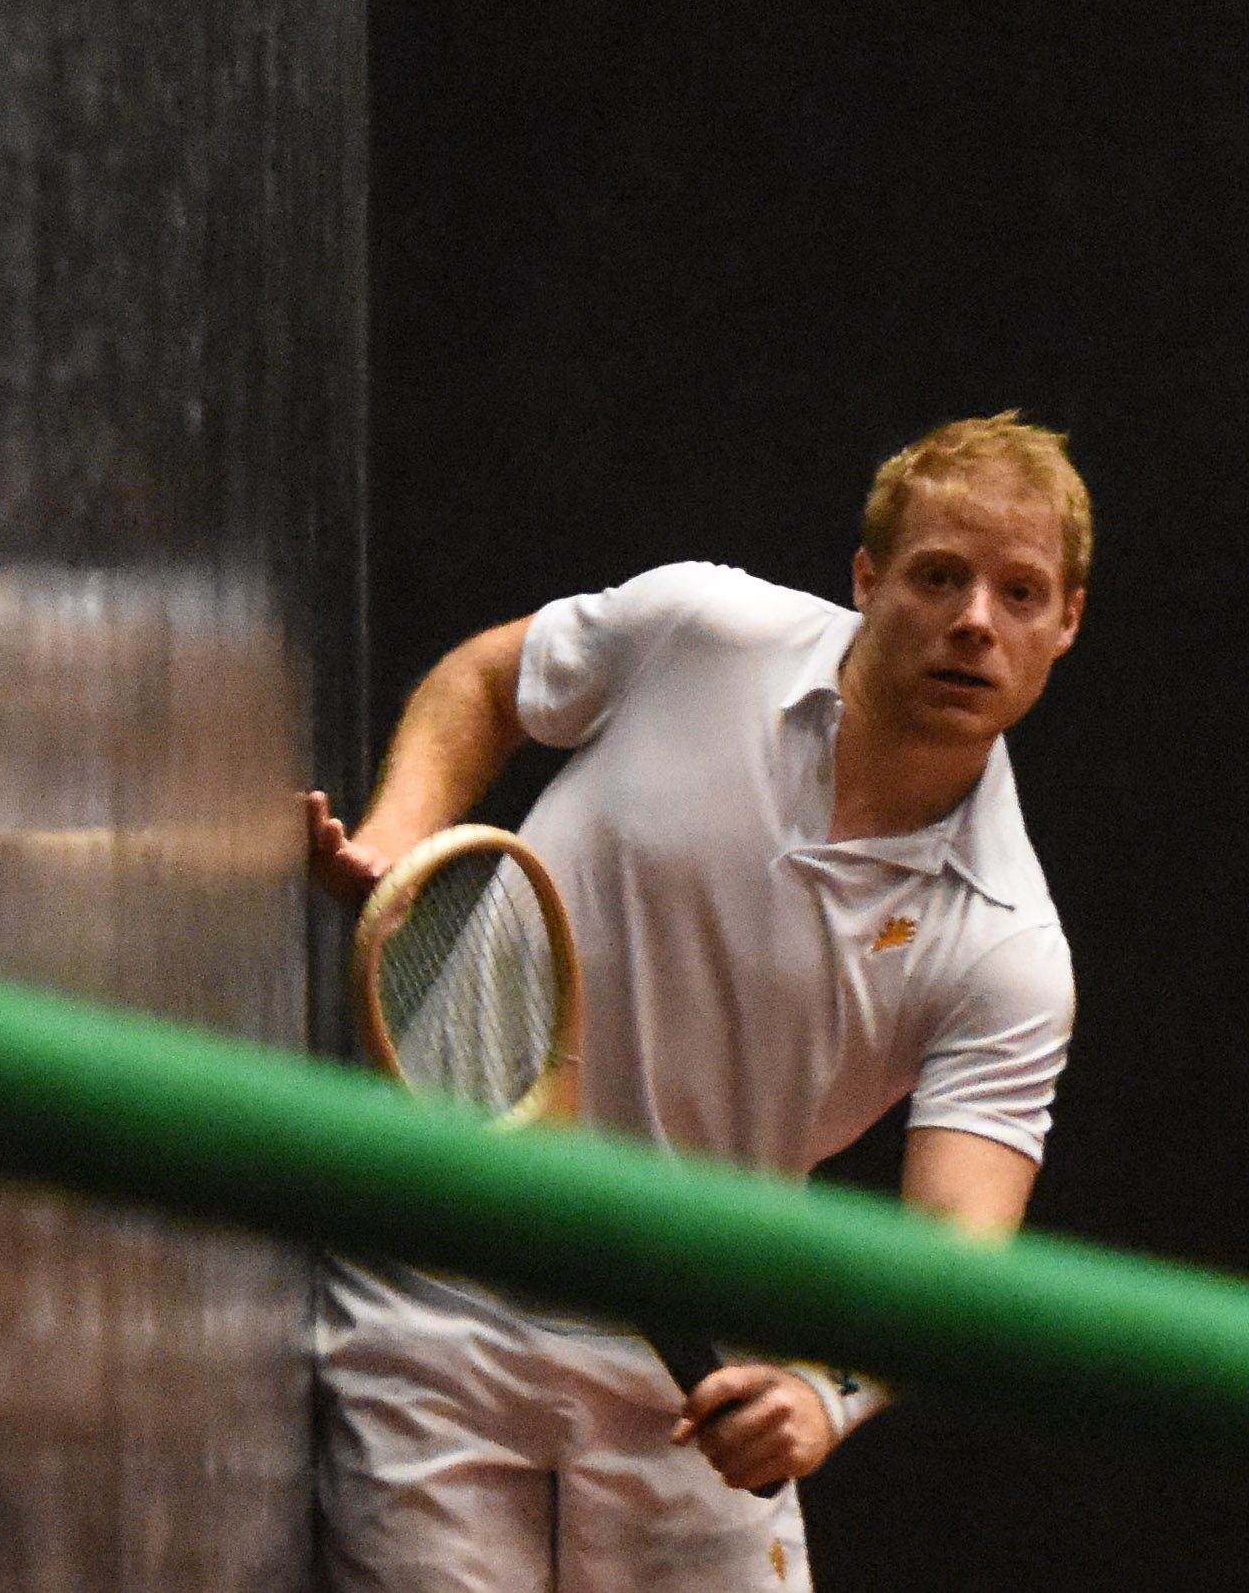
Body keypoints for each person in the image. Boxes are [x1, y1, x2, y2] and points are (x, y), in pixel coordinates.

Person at [306, 412, 1091, 1593]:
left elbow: (955, 1248)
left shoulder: (1011, 950)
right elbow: (488, 683)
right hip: (436, 1314)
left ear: (1065, 624)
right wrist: (396, 842)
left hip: (695, 1404)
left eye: (1021, 594)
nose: (977, 620)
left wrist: (822, 1396)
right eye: (941, 576)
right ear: (870, 581)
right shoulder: (700, 629)